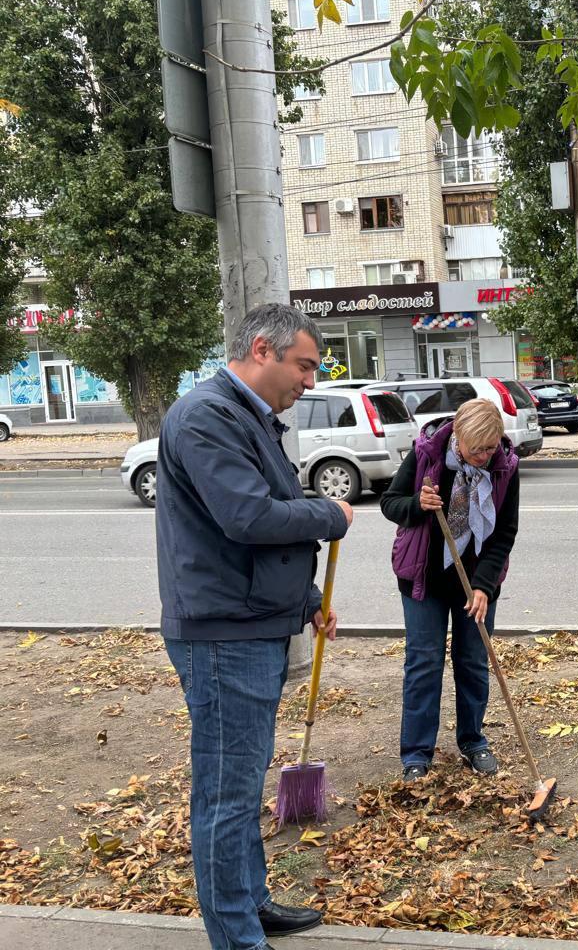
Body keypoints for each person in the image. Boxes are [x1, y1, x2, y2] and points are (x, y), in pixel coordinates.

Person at [157, 304, 352, 950]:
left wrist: (305, 600)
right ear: (262, 349)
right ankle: (237, 937)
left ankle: (252, 903)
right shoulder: (207, 416)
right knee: (226, 795)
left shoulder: (248, 418)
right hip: (222, 638)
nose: (310, 382)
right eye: (304, 365)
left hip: (248, 627)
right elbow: (249, 518)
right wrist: (328, 516)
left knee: (241, 784)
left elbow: (256, 532)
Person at [380, 398, 520, 781]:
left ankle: (473, 741)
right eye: (476, 450)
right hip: (423, 576)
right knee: (424, 663)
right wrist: (418, 505)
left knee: (473, 659)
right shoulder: (426, 454)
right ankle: (416, 754)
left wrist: (484, 587)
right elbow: (390, 503)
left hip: (476, 580)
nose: (483, 457)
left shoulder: (504, 467)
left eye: (490, 448)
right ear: (457, 438)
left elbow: (504, 531)